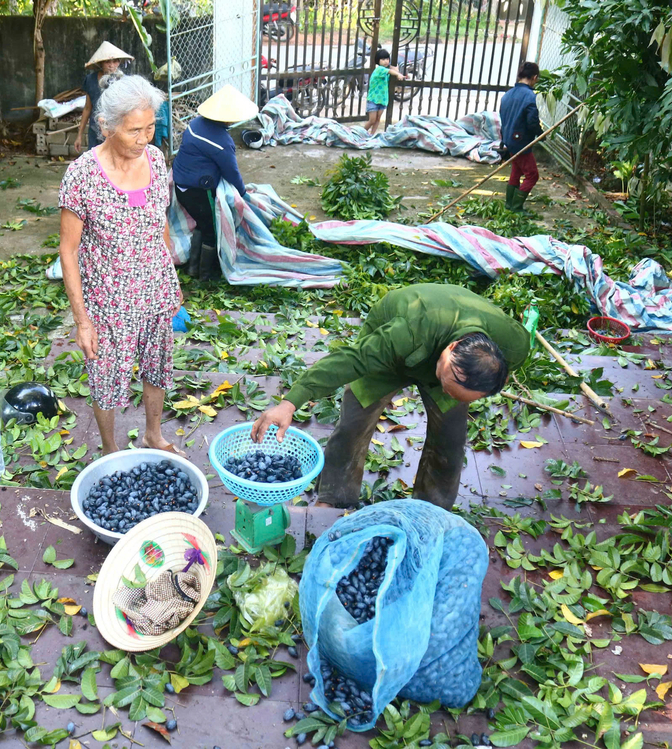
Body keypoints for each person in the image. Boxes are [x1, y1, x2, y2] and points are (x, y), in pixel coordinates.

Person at [251, 284, 530, 509]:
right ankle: (335, 496)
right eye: (445, 383)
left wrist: (451, 390)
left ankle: (430, 509)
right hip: (400, 350)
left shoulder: (513, 346)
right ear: (452, 348)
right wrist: (290, 402)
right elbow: (351, 360)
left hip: (451, 358)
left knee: (450, 439)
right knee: (354, 418)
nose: (445, 392)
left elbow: (477, 377)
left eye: (453, 393)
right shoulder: (403, 334)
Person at [59, 76, 184, 457]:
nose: (144, 138)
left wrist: (171, 280)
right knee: (107, 379)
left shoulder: (157, 159)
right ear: (107, 127)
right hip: (108, 302)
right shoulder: (82, 175)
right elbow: (68, 250)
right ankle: (111, 450)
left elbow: (160, 221)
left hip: (155, 291)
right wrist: (83, 320)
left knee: (157, 366)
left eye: (150, 128)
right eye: (134, 130)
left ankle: (152, 434)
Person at [171, 85, 259, 280]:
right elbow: (231, 172)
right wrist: (243, 194)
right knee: (210, 228)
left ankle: (193, 268)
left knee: (201, 224)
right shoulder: (222, 141)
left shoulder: (195, 124)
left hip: (181, 184)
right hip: (198, 191)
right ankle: (205, 276)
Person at [499, 61, 543, 214]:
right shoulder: (530, 96)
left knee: (516, 172)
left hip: (509, 140)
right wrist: (540, 133)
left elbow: (503, 117)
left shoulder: (507, 94)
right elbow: (532, 121)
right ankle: (517, 207)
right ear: (534, 77)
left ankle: (509, 205)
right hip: (521, 142)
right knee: (532, 175)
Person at [74, 42, 135, 153]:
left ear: (119, 62)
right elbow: (87, 108)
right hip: (95, 131)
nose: (111, 65)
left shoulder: (123, 81)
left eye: (115, 61)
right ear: (101, 63)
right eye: (107, 62)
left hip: (115, 131)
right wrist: (79, 136)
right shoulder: (90, 80)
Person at [363, 49, 407, 135]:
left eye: (387, 59)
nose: (386, 61)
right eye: (383, 59)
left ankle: (372, 134)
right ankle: (361, 133)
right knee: (372, 120)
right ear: (378, 61)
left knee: (378, 119)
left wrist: (396, 70)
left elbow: (392, 70)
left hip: (383, 99)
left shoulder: (385, 70)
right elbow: (390, 71)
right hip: (373, 99)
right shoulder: (379, 69)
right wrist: (397, 74)